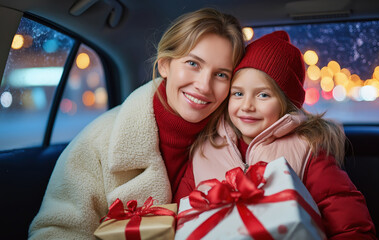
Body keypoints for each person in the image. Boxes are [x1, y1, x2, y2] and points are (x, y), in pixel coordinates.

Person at [28, 8, 245, 239]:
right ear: (164, 65)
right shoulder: (97, 141)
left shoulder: (237, 142)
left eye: (221, 75)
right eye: (193, 63)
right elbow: (55, 233)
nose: (204, 85)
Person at [177, 31, 377, 239]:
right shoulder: (205, 151)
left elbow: (348, 222)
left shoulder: (307, 150)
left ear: (286, 104)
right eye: (238, 93)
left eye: (263, 95)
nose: (247, 106)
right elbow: (183, 217)